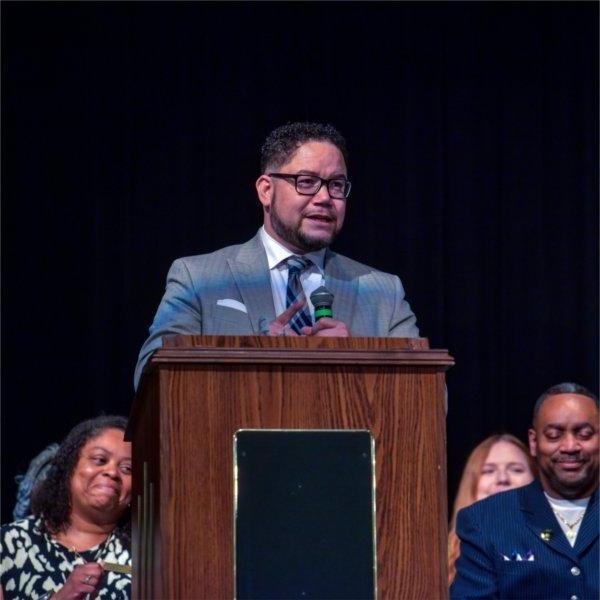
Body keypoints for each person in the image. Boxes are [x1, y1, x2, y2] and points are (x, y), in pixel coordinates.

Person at [134, 121, 419, 388]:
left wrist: (356, 361)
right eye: (306, 182)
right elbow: (151, 378)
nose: (324, 198)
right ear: (266, 190)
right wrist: (255, 357)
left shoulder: (383, 292)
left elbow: (428, 397)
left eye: (336, 185)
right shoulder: (200, 278)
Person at [450, 383, 599, 599]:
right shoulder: (485, 520)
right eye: (554, 435)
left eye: (584, 434)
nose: (569, 446)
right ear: (534, 442)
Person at [0, 415, 132, 600]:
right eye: (100, 460)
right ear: (69, 468)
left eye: (127, 469)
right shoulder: (8, 543)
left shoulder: (145, 554)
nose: (112, 472)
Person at [447, 434, 536, 585]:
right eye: (488, 471)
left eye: (516, 469)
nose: (502, 478)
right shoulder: (438, 558)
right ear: (472, 485)